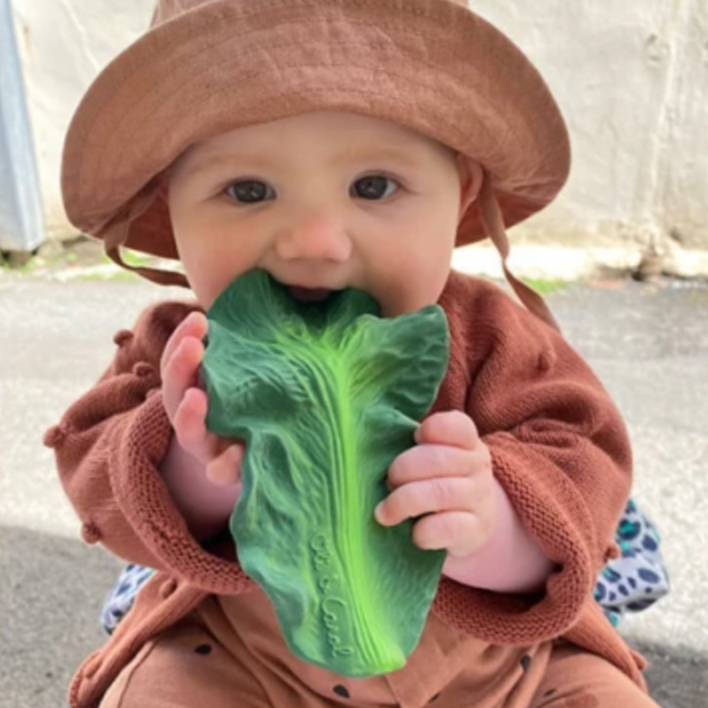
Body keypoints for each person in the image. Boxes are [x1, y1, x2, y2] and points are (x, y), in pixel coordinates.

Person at [46, 0, 665, 705]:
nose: (315, 242)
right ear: (172, 201)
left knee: (596, 694)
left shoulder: (495, 335)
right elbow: (94, 472)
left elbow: (583, 463)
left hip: (499, 672)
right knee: (163, 689)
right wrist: (196, 472)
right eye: (248, 190)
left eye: (374, 186)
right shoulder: (176, 351)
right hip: (247, 661)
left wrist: (494, 524)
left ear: (461, 193)